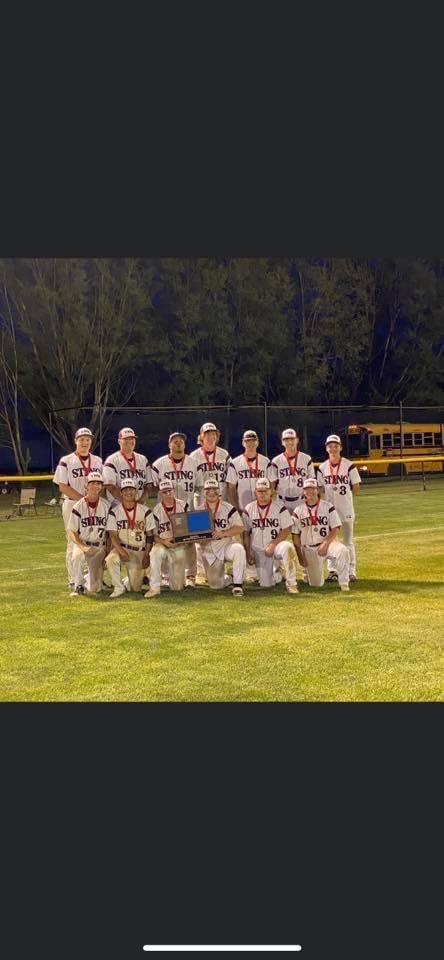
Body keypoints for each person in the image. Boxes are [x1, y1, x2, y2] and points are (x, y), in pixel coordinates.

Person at [53, 427, 103, 593]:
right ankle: (74, 580)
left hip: (93, 503)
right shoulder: (66, 460)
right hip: (73, 503)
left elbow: (101, 483)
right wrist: (82, 500)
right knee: (73, 540)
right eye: (81, 439)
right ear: (76, 441)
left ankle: (91, 578)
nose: (85, 442)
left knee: (94, 537)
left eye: (88, 439)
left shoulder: (97, 460)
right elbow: (62, 485)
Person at [227, 429, 276, 582]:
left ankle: (271, 566)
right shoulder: (235, 463)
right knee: (244, 538)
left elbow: (272, 483)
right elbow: (231, 487)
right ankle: (249, 571)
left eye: (253, 440)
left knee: (264, 536)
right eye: (247, 441)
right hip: (243, 507)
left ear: (257, 443)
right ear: (243, 443)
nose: (250, 443)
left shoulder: (265, 461)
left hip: (262, 507)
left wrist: (267, 502)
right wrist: (236, 508)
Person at [151, 430, 199, 586]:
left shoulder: (193, 463)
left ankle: (190, 575)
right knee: (166, 538)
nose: (178, 443)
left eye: (181, 441)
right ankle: (165, 575)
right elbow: (152, 487)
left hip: (188, 506)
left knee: (190, 542)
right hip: (166, 509)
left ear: (185, 444)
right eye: (175, 441)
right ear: (169, 444)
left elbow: (200, 487)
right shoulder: (159, 464)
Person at [291, 478, 351, 592]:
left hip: (328, 544)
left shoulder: (328, 506)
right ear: (303, 491)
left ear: (318, 490)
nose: (310, 492)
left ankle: (344, 583)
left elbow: (335, 527)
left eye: (313, 488)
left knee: (343, 551)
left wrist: (326, 543)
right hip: (309, 548)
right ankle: (307, 573)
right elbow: (295, 536)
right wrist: (300, 555)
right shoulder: (298, 510)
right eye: (307, 489)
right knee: (316, 584)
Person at [316, 433, 361, 582]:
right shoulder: (322, 467)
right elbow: (320, 489)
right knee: (330, 540)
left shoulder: (349, 465)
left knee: (348, 541)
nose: (333, 449)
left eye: (336, 446)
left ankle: (350, 571)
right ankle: (333, 571)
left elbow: (356, 487)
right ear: (326, 448)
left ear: (340, 447)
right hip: (330, 510)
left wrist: (346, 499)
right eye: (330, 446)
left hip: (345, 509)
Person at [242, 478, 299, 594]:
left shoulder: (280, 507)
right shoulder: (248, 508)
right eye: (260, 491)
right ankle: (277, 573)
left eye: (265, 490)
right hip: (258, 550)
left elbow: (287, 528)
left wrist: (274, 544)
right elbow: (245, 532)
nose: (262, 493)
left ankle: (292, 583)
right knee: (266, 584)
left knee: (287, 547)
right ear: (255, 492)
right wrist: (248, 552)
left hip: (276, 546)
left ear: (271, 491)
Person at [105, 478, 155, 598]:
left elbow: (149, 535)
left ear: (136, 492)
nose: (129, 492)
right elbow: (112, 535)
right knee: (111, 559)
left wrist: (147, 554)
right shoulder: (114, 511)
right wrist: (121, 551)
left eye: (131, 489)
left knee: (136, 589)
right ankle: (118, 587)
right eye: (125, 489)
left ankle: (128, 581)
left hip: (139, 550)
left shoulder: (146, 511)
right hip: (122, 548)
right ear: (121, 493)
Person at [197, 477, 246, 597]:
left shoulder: (228, 508)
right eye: (208, 489)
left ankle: (237, 585)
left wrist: (223, 533)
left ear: (219, 491)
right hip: (209, 548)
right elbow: (196, 537)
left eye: (214, 489)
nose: (211, 492)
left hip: (225, 545)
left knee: (239, 549)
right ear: (204, 492)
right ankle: (230, 577)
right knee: (215, 585)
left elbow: (240, 527)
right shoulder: (198, 511)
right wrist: (203, 538)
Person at [144, 479, 189, 599]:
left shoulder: (184, 506)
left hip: (179, 544)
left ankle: (173, 579)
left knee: (177, 588)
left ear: (174, 491)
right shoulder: (156, 510)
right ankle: (154, 588)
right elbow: (153, 535)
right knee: (155, 553)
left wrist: (180, 539)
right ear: (160, 494)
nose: (168, 494)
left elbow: (191, 529)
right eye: (164, 492)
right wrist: (164, 542)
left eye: (169, 491)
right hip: (163, 543)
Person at [67, 471, 109, 596]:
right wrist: (82, 546)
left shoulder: (106, 505)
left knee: (95, 589)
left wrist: (108, 549)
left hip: (99, 545)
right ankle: (78, 585)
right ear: (86, 485)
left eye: (98, 483)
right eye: (93, 483)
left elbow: (110, 532)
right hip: (83, 542)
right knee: (77, 556)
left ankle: (92, 579)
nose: (96, 486)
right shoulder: (78, 506)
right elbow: (72, 531)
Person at [103, 427, 154, 505]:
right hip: (118, 506)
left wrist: (141, 501)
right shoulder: (112, 460)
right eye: (126, 439)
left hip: (139, 505)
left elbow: (149, 484)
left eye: (132, 439)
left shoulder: (143, 459)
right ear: (119, 441)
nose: (129, 441)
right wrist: (126, 503)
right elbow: (110, 486)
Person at [272, 427, 315, 515]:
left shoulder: (306, 458)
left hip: (301, 500)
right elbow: (272, 484)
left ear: (297, 440)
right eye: (286, 440)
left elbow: (312, 481)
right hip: (282, 501)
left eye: (292, 439)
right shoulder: (276, 461)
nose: (289, 442)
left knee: (302, 528)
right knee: (284, 528)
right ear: (282, 442)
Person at [190, 422, 231, 506]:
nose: (210, 437)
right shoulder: (194, 456)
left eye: (213, 434)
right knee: (201, 519)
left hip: (221, 498)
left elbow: (231, 478)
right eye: (207, 434)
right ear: (201, 436)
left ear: (217, 436)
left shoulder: (224, 454)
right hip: (201, 499)